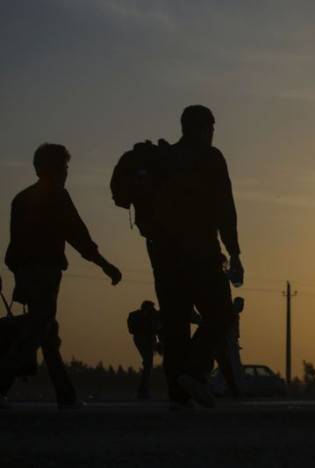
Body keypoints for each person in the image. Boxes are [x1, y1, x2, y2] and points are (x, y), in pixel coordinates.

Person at [0, 144, 122, 409]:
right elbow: (78, 235)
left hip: (26, 273)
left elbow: (14, 248)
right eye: (65, 167)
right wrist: (105, 265)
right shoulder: (57, 196)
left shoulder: (20, 200)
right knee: (36, 331)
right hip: (45, 273)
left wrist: (19, 274)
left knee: (47, 332)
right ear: (56, 169)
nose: (67, 173)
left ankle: (66, 395)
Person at [145, 106, 244, 409]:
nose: (213, 133)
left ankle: (178, 393)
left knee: (175, 324)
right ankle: (196, 372)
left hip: (164, 256)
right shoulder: (211, 159)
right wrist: (235, 253)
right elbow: (224, 208)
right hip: (201, 252)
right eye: (211, 127)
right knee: (222, 314)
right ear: (203, 128)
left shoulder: (163, 159)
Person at [127, 300, 162, 399]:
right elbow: (155, 328)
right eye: (152, 308)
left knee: (148, 363)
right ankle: (142, 391)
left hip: (144, 339)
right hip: (143, 339)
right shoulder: (141, 316)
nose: (154, 310)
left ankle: (143, 390)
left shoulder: (137, 315)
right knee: (148, 363)